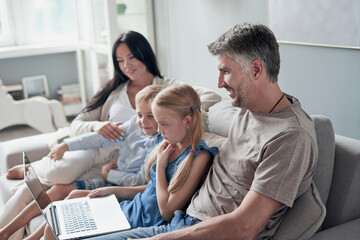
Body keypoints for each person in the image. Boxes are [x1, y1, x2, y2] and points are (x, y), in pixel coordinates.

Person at [78, 23, 318, 240]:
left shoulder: (290, 137)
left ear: (256, 70)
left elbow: (244, 227)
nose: (219, 83)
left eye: (226, 71)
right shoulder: (249, 108)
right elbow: (185, 116)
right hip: (181, 223)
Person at [0, 30, 177, 240]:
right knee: (50, 180)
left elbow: (193, 103)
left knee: (60, 188)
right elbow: (79, 124)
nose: (126, 65)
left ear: (145, 54)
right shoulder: (116, 94)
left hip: (114, 169)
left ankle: (36, 169)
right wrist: (96, 127)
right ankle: (6, 229)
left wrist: (108, 175)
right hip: (98, 151)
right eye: (120, 60)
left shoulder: (166, 93)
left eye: (132, 57)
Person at [43, 84, 218, 240]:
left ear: (187, 121)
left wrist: (161, 166)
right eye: (158, 123)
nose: (159, 130)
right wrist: (114, 190)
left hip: (146, 222)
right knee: (55, 225)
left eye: (163, 124)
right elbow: (151, 190)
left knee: (61, 230)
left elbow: (166, 211)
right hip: (133, 208)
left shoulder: (199, 157)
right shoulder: (166, 143)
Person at [0, 84, 165, 240]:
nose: (143, 121)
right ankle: (6, 231)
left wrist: (111, 174)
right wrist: (66, 145)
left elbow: (139, 180)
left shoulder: (158, 145)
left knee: (70, 194)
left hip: (122, 187)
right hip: (109, 177)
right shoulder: (134, 126)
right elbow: (99, 138)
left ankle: (32, 238)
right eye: (139, 115)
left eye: (150, 116)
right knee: (58, 189)